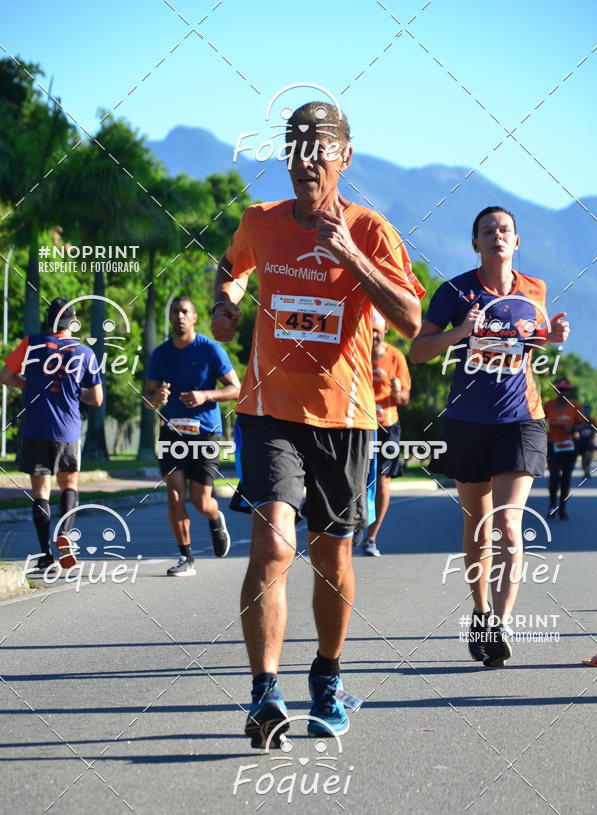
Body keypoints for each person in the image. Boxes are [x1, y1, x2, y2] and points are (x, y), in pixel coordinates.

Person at [212, 101, 425, 747]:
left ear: (344, 156)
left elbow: (413, 320)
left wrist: (351, 258)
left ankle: (327, 677)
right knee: (274, 543)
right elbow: (232, 269)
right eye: (295, 144)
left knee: (332, 555)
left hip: (347, 416)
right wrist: (227, 302)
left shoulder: (373, 230)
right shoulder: (261, 221)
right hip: (270, 409)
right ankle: (263, 694)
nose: (307, 157)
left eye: (320, 145)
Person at [410, 206, 569, 667]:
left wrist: (551, 338)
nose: (497, 236)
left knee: (507, 527)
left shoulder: (534, 289)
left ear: (516, 241)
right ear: (475, 243)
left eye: (505, 230)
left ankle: (499, 624)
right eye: (487, 231)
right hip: (468, 422)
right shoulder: (455, 291)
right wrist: (462, 330)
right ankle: (480, 612)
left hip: (522, 419)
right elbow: (419, 351)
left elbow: (530, 342)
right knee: (477, 529)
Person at [0, 297, 103, 571]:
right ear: (72, 321)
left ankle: (46, 555)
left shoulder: (31, 343)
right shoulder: (84, 352)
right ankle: (65, 534)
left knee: (41, 493)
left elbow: (5, 376)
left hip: (35, 428)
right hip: (67, 431)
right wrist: (71, 390)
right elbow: (96, 398)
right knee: (69, 485)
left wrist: (29, 383)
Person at [143, 296, 240, 575]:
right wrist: (156, 397)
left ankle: (215, 516)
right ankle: (186, 558)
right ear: (171, 317)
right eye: (175, 311)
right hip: (172, 433)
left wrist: (204, 395)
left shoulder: (210, 350)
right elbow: (147, 399)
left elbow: (235, 388)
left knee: (200, 501)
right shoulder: (160, 354)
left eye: (185, 311)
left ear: (194, 317)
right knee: (174, 496)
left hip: (205, 433)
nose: (180, 316)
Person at [359, 309, 411, 557]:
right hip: (357, 424)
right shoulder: (355, 353)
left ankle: (372, 536)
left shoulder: (396, 356)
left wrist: (396, 391)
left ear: (385, 331)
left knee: (381, 482)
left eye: (378, 332)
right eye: (371, 331)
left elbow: (404, 399)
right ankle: (352, 527)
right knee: (355, 480)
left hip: (387, 426)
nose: (374, 336)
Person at [543, 380, 586, 519]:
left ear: (569, 391)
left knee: (566, 478)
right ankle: (552, 505)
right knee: (554, 476)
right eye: (560, 389)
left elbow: (583, 424)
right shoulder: (548, 405)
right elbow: (539, 422)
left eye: (565, 390)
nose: (563, 392)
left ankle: (562, 508)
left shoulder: (575, 406)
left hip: (570, 446)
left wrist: (572, 428)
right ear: (556, 390)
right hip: (553, 445)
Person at [576, 404, 597, 480]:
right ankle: (585, 471)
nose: (587, 412)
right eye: (586, 411)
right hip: (581, 441)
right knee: (583, 458)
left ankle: (587, 471)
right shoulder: (580, 420)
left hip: (589, 441)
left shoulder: (593, 420)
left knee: (588, 457)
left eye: (588, 411)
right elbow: (575, 429)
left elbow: (596, 429)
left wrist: (593, 435)